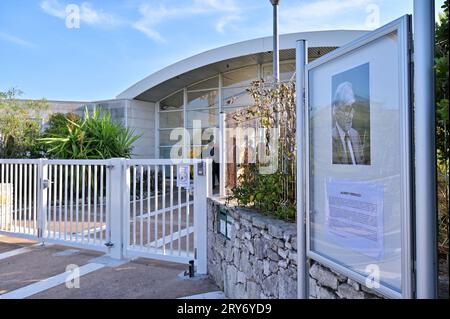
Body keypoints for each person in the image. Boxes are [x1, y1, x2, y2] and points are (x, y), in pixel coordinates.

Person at [332, 82, 365, 165]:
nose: (351, 115)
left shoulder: (355, 135)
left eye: (352, 109)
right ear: (335, 110)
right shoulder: (330, 139)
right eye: (347, 109)